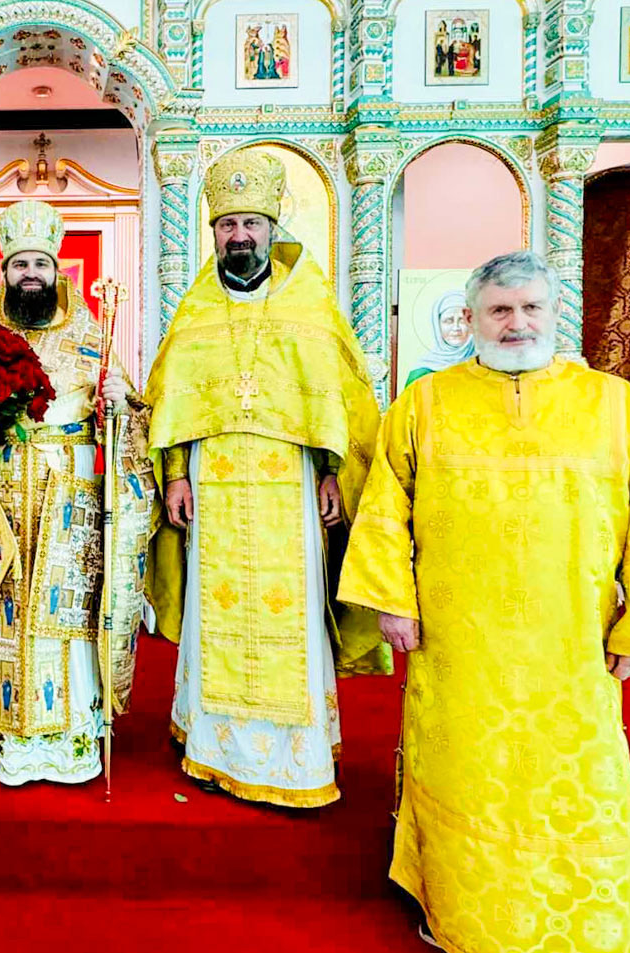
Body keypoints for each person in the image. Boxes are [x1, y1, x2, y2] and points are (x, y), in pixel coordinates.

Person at [337, 250, 630, 952]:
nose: (516, 322)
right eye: (499, 309)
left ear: (556, 314)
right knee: (464, 775)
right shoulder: (424, 404)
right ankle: (458, 910)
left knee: (581, 779)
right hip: (459, 640)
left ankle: (585, 921)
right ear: (471, 319)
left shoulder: (613, 405)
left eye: (531, 307)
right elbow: (383, 509)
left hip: (573, 638)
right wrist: (392, 601)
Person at [145, 147, 385, 807]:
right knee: (212, 607)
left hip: (292, 485)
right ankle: (213, 745)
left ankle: (295, 761)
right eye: (228, 225)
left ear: (271, 228)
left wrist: (333, 471)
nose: (240, 236)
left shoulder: (311, 303)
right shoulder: (194, 311)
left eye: (250, 223)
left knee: (294, 610)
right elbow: (171, 400)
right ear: (214, 233)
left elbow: (342, 397)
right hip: (212, 483)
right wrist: (175, 474)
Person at [0, 199, 157, 785]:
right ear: (4, 271)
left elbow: (130, 428)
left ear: (57, 269)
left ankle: (65, 742)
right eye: (20, 264)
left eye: (40, 264)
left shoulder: (92, 336)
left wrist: (120, 407)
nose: (31, 275)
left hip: (69, 500)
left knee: (63, 620)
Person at [404, 289, 473, 389]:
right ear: (437, 325)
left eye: (462, 321)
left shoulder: (483, 366)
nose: (456, 328)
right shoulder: (421, 373)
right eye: (449, 321)